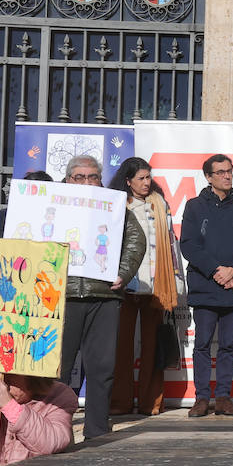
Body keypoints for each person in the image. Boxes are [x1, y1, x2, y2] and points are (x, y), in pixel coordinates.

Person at [58, 155, 146, 439]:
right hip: (62, 296)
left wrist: (123, 272)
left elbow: (136, 239)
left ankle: (96, 430)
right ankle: (55, 427)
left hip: (104, 295)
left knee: (102, 367)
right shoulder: (52, 202)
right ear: (68, 179)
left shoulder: (112, 204)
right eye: (79, 177)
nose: (86, 182)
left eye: (92, 176)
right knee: (58, 366)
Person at [179, 154, 233, 418]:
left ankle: (224, 398)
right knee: (202, 344)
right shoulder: (194, 206)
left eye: (230, 171)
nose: (227, 176)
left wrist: (232, 270)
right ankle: (202, 398)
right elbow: (189, 244)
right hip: (206, 285)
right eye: (221, 172)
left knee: (228, 344)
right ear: (209, 177)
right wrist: (216, 270)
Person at [107, 157, 180, 416]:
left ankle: (151, 403)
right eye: (141, 178)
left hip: (155, 285)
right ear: (128, 182)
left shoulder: (159, 205)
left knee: (153, 347)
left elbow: (171, 245)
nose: (147, 182)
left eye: (149, 177)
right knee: (121, 348)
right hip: (124, 286)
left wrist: (175, 281)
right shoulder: (115, 206)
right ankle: (120, 403)